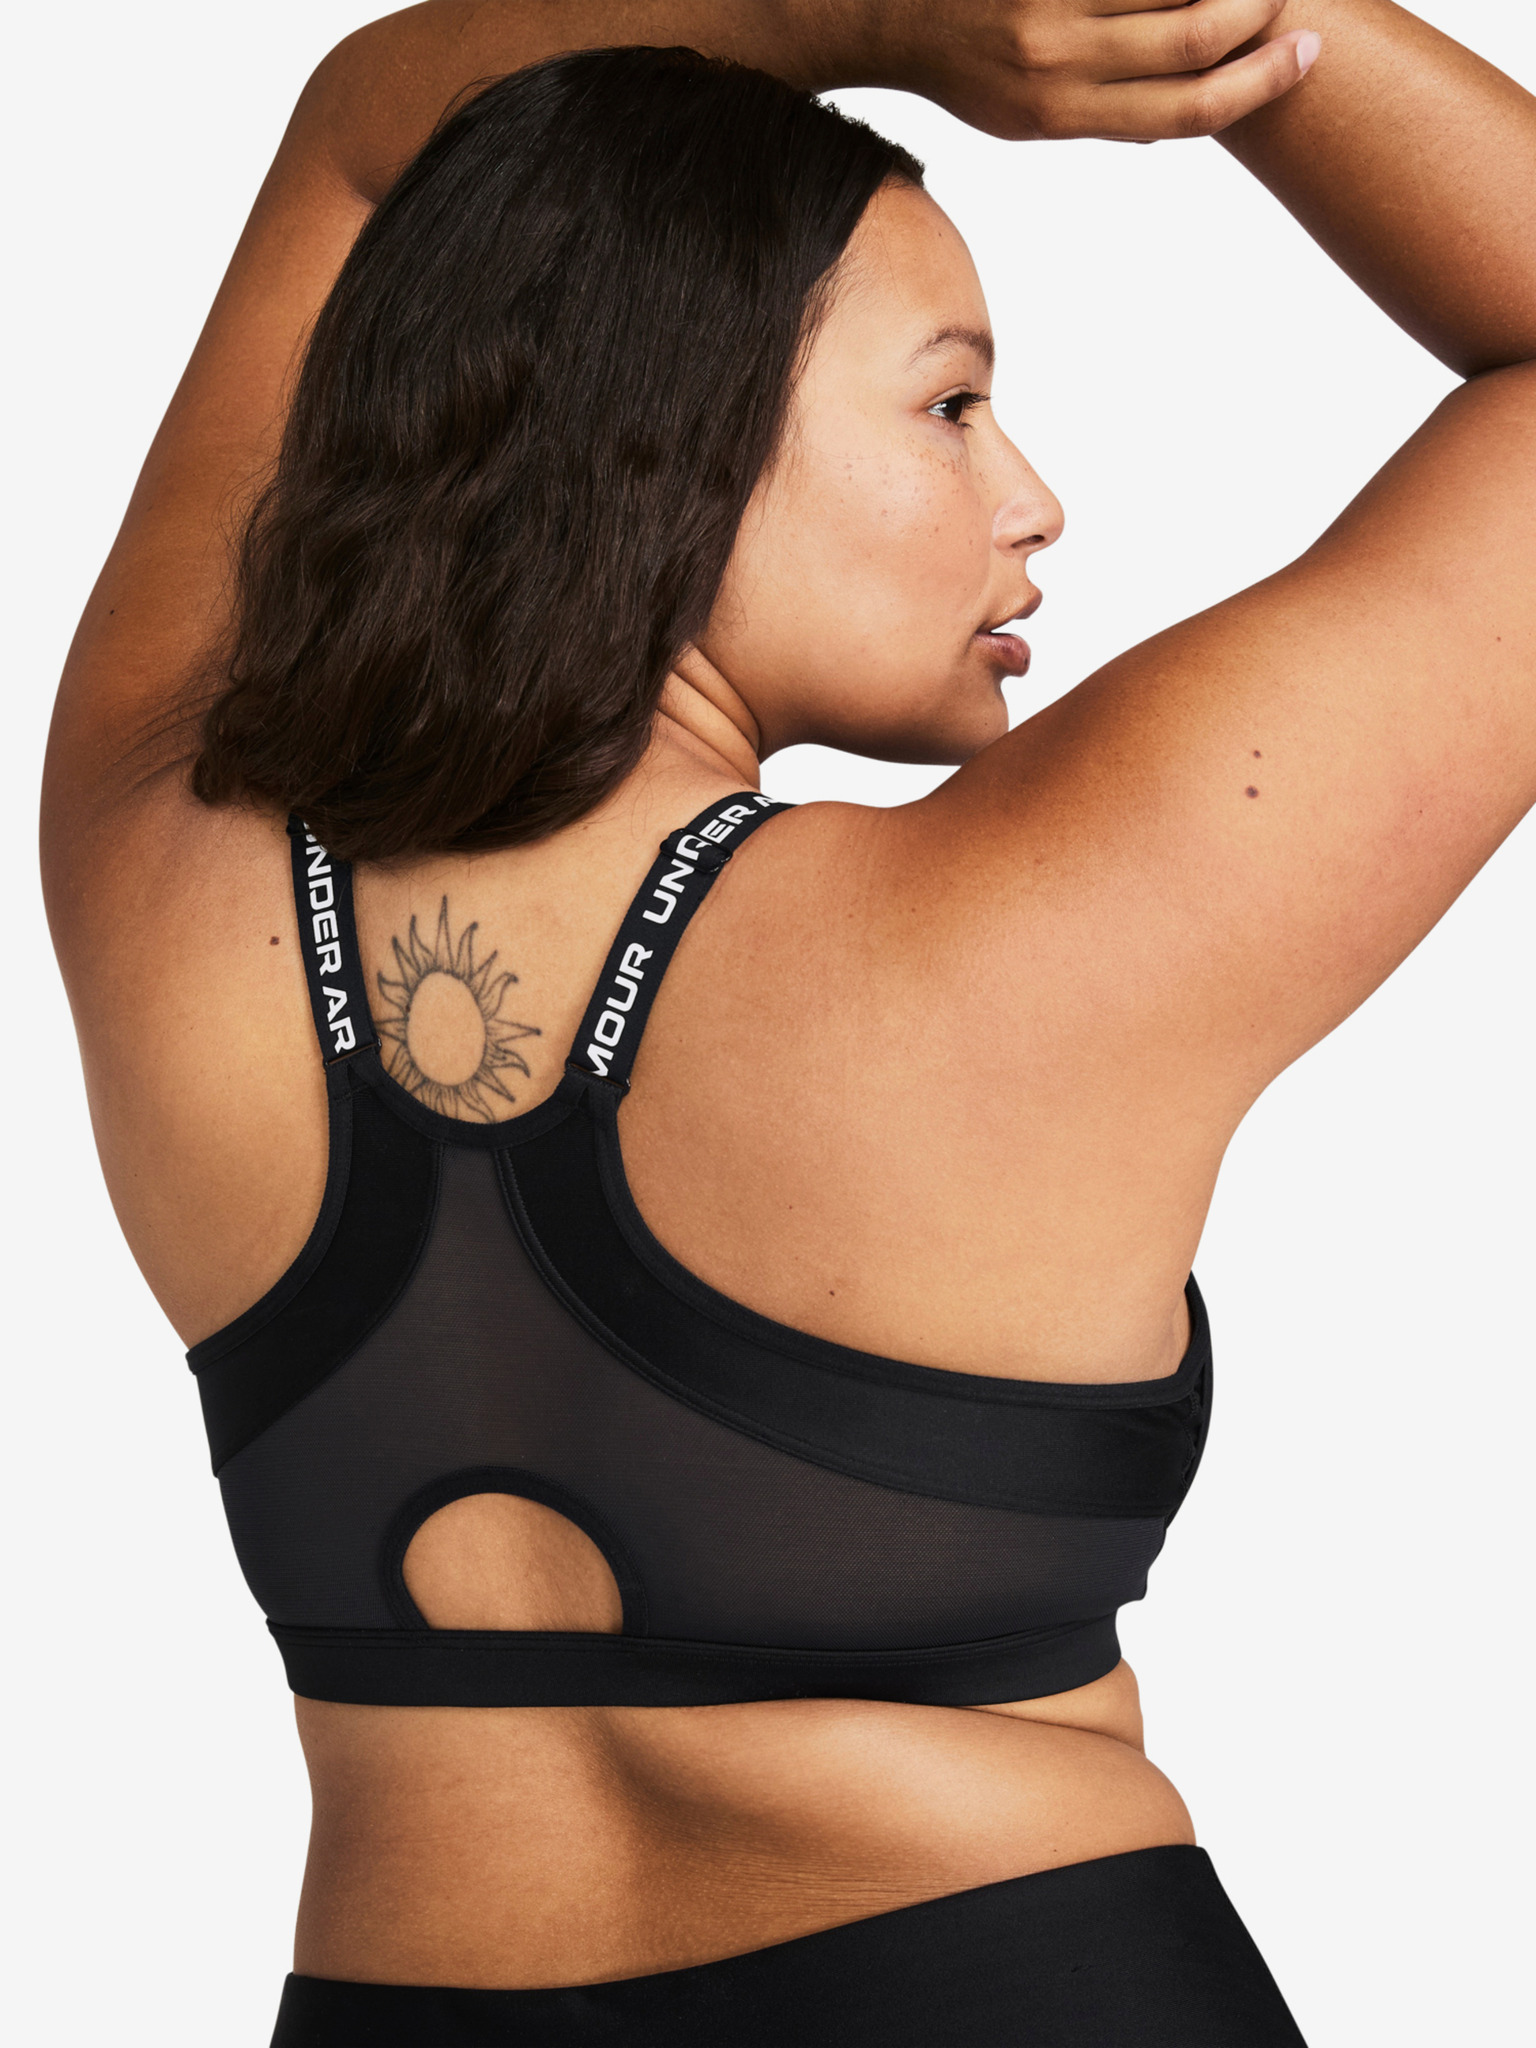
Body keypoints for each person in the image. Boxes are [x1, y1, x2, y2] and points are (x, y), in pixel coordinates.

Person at [41, 0, 1535, 2041]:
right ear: (666, 437)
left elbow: (359, 132)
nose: (1034, 500)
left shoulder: (154, 867)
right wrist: (1217, 22)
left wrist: (881, 16)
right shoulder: (1029, 927)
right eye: (951, 405)